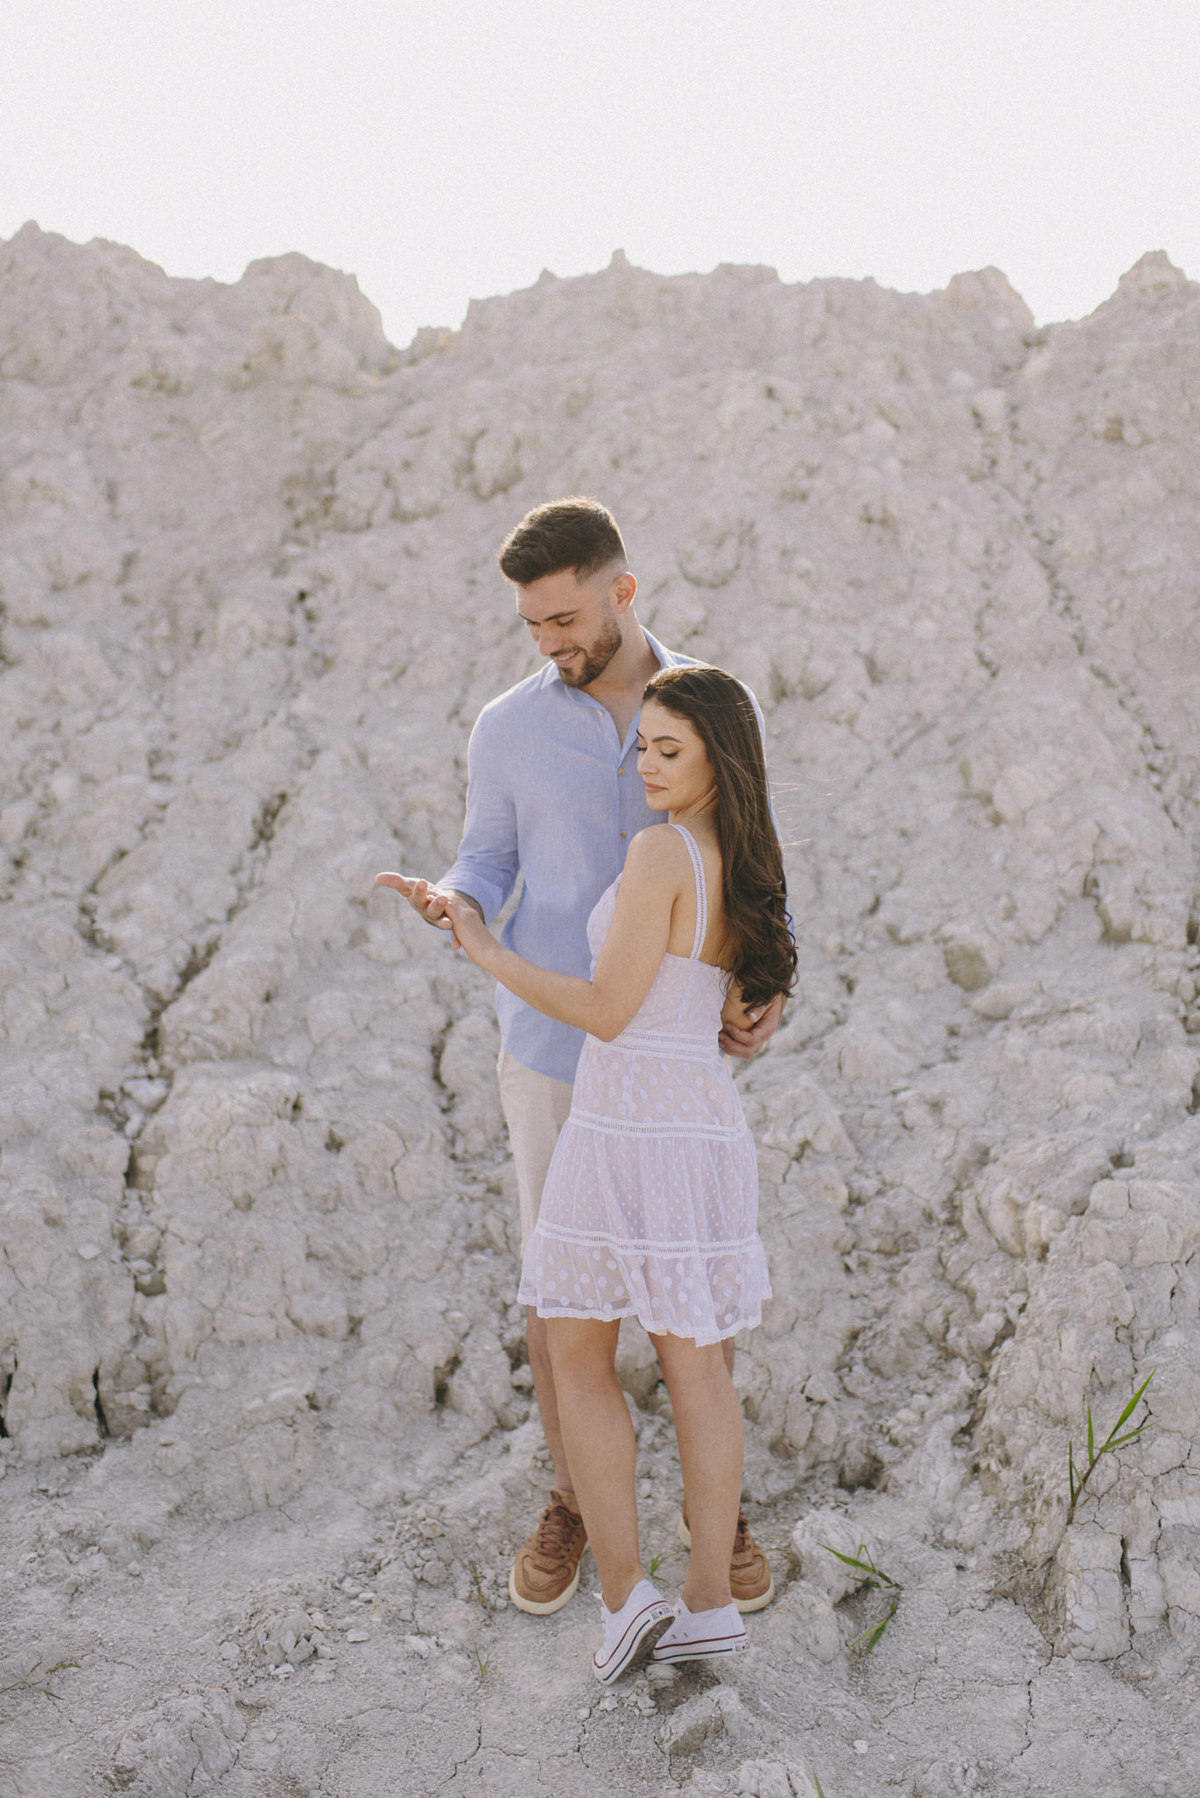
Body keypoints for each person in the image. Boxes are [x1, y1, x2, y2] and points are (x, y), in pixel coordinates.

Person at [376, 498, 785, 1620]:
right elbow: (484, 857)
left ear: (622, 590)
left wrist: (766, 988)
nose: (550, 642)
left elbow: (751, 857)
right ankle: (572, 1499)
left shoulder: (708, 702)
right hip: (555, 1055)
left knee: (688, 1298)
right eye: (531, 625)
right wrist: (452, 902)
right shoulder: (506, 729)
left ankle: (720, 1522)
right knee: (563, 1304)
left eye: (564, 616)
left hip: (674, 1062)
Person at [439, 663, 796, 1680]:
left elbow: (605, 1009)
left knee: (577, 1354)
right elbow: (732, 995)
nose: (645, 764)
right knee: (698, 1371)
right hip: (701, 1127)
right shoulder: (746, 858)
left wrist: (486, 948)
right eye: (642, 744)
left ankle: (624, 1595)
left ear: (718, 762)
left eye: (668, 749)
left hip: (625, 1119)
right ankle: (711, 1603)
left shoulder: (659, 852)